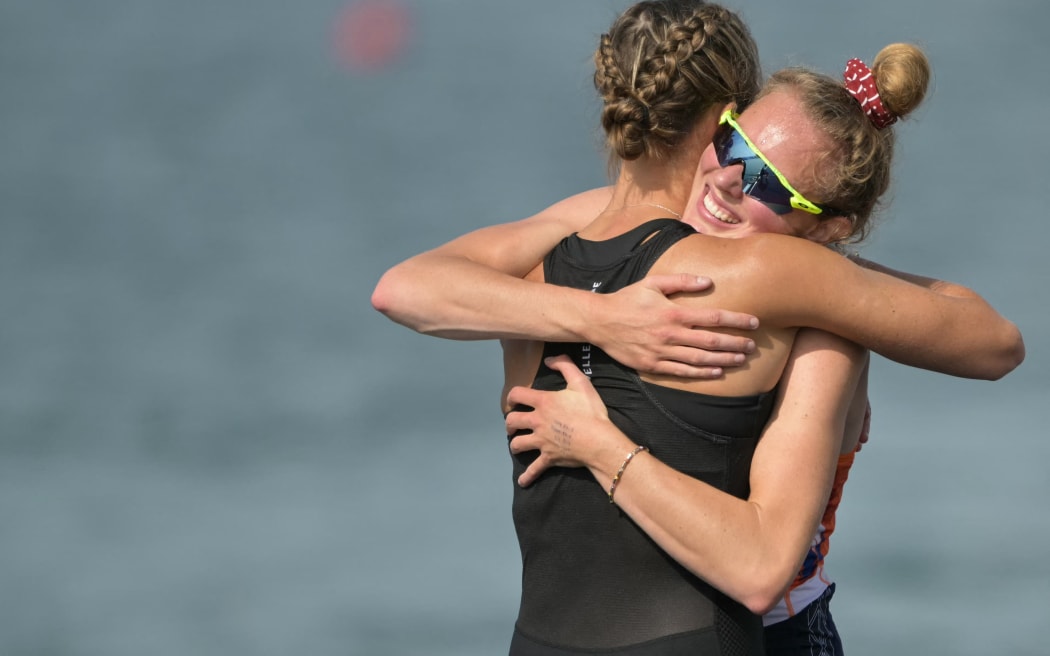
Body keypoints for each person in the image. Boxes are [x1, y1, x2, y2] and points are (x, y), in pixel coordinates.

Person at [371, 4, 1025, 654]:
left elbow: (995, 343)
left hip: (781, 629)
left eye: (770, 183)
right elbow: (405, 287)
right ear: (717, 122)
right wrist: (603, 317)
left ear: (826, 228)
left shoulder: (810, 285)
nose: (731, 179)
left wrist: (599, 441)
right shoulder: (605, 223)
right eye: (733, 142)